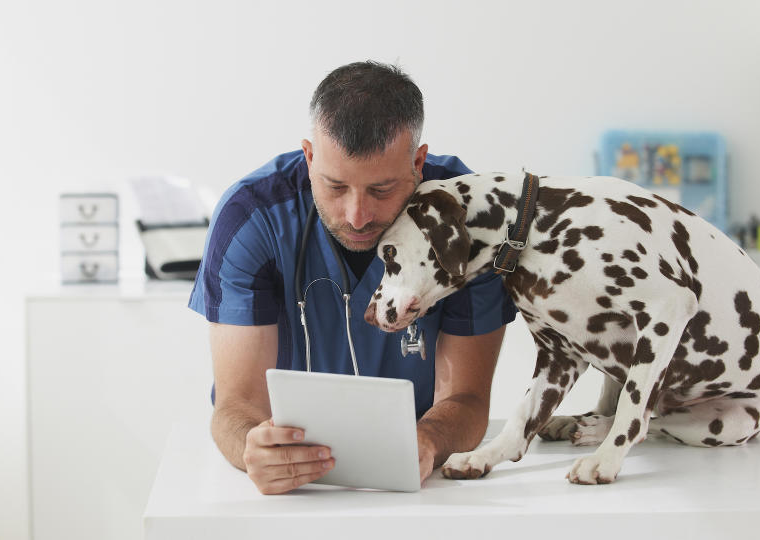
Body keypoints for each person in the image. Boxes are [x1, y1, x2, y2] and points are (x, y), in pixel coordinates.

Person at [188, 60, 516, 495]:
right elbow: (235, 406)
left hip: (419, 482)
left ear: (418, 161)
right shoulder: (251, 219)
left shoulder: (469, 222)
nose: (357, 216)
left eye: (381, 190)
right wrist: (253, 446)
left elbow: (469, 402)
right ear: (308, 157)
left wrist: (428, 440)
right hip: (296, 492)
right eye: (335, 186)